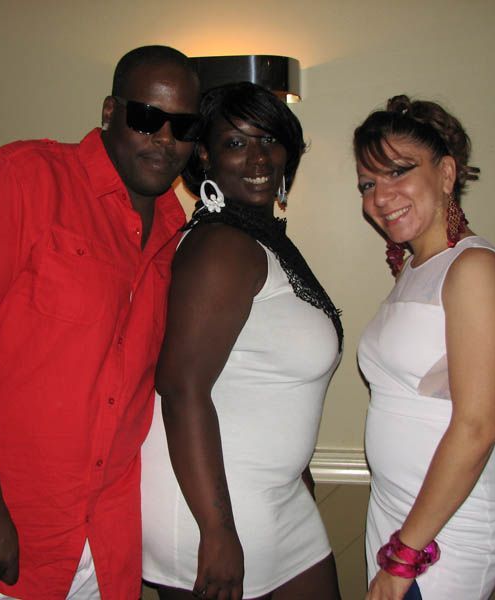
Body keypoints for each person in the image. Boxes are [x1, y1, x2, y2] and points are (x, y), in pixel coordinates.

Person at [0, 45, 201, 599]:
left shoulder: (173, 234)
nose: (164, 138)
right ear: (110, 112)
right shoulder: (27, 178)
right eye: (147, 117)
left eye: (183, 126)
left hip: (101, 547)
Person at [141, 82, 344, 600]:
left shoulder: (258, 237)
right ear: (204, 153)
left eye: (269, 140)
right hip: (214, 508)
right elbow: (182, 389)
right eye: (236, 143)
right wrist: (217, 531)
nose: (258, 157)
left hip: (274, 498)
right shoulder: (221, 246)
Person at [354, 95, 495, 600]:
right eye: (368, 183)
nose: (381, 196)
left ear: (446, 174)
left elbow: (477, 427)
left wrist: (405, 554)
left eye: (399, 172)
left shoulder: (474, 269)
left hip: (445, 529)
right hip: (398, 512)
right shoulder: (415, 268)